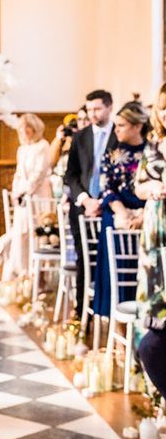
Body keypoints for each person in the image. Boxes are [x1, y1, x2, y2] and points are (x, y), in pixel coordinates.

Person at [91, 101, 147, 317]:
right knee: (117, 273)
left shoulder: (151, 152)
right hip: (116, 216)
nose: (116, 130)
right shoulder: (112, 153)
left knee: (140, 272)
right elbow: (106, 187)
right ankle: (118, 333)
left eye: (122, 125)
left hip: (144, 216)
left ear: (137, 126)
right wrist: (122, 212)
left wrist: (143, 215)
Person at [64, 89, 118, 317]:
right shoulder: (80, 136)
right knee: (83, 258)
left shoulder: (119, 135)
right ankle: (81, 311)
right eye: (89, 109)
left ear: (109, 107)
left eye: (97, 108)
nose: (93, 114)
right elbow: (71, 174)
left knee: (107, 260)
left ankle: (105, 310)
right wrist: (85, 199)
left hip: (110, 207)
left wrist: (103, 201)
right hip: (83, 206)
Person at [134, 85, 166, 395]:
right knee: (154, 297)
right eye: (162, 107)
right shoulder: (155, 145)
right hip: (156, 227)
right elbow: (138, 187)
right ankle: (150, 382)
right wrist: (152, 188)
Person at [0, 113, 52, 281]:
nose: (24, 131)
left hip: (38, 196)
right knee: (21, 234)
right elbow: (19, 173)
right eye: (21, 128)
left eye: (27, 128)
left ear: (34, 129)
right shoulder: (22, 149)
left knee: (38, 233)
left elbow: (39, 172)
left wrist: (26, 191)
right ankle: (22, 273)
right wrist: (16, 192)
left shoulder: (43, 146)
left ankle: (38, 276)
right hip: (23, 198)